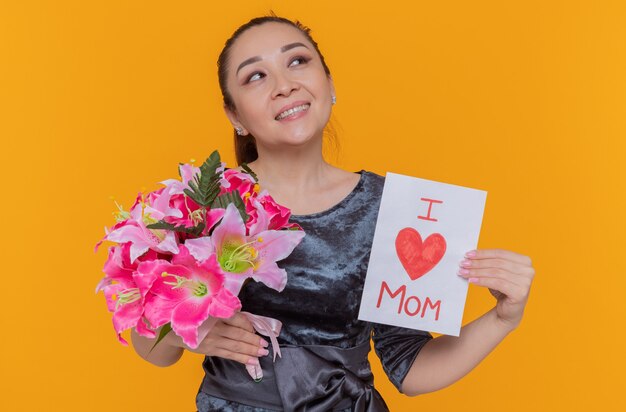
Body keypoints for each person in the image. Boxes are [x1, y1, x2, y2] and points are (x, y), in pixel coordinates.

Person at [130, 15, 536, 411]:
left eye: (297, 62)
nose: (284, 86)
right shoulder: (202, 203)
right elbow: (154, 350)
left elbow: (410, 366)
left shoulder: (393, 208)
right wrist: (182, 332)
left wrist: (502, 318)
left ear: (330, 84)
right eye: (256, 76)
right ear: (234, 115)